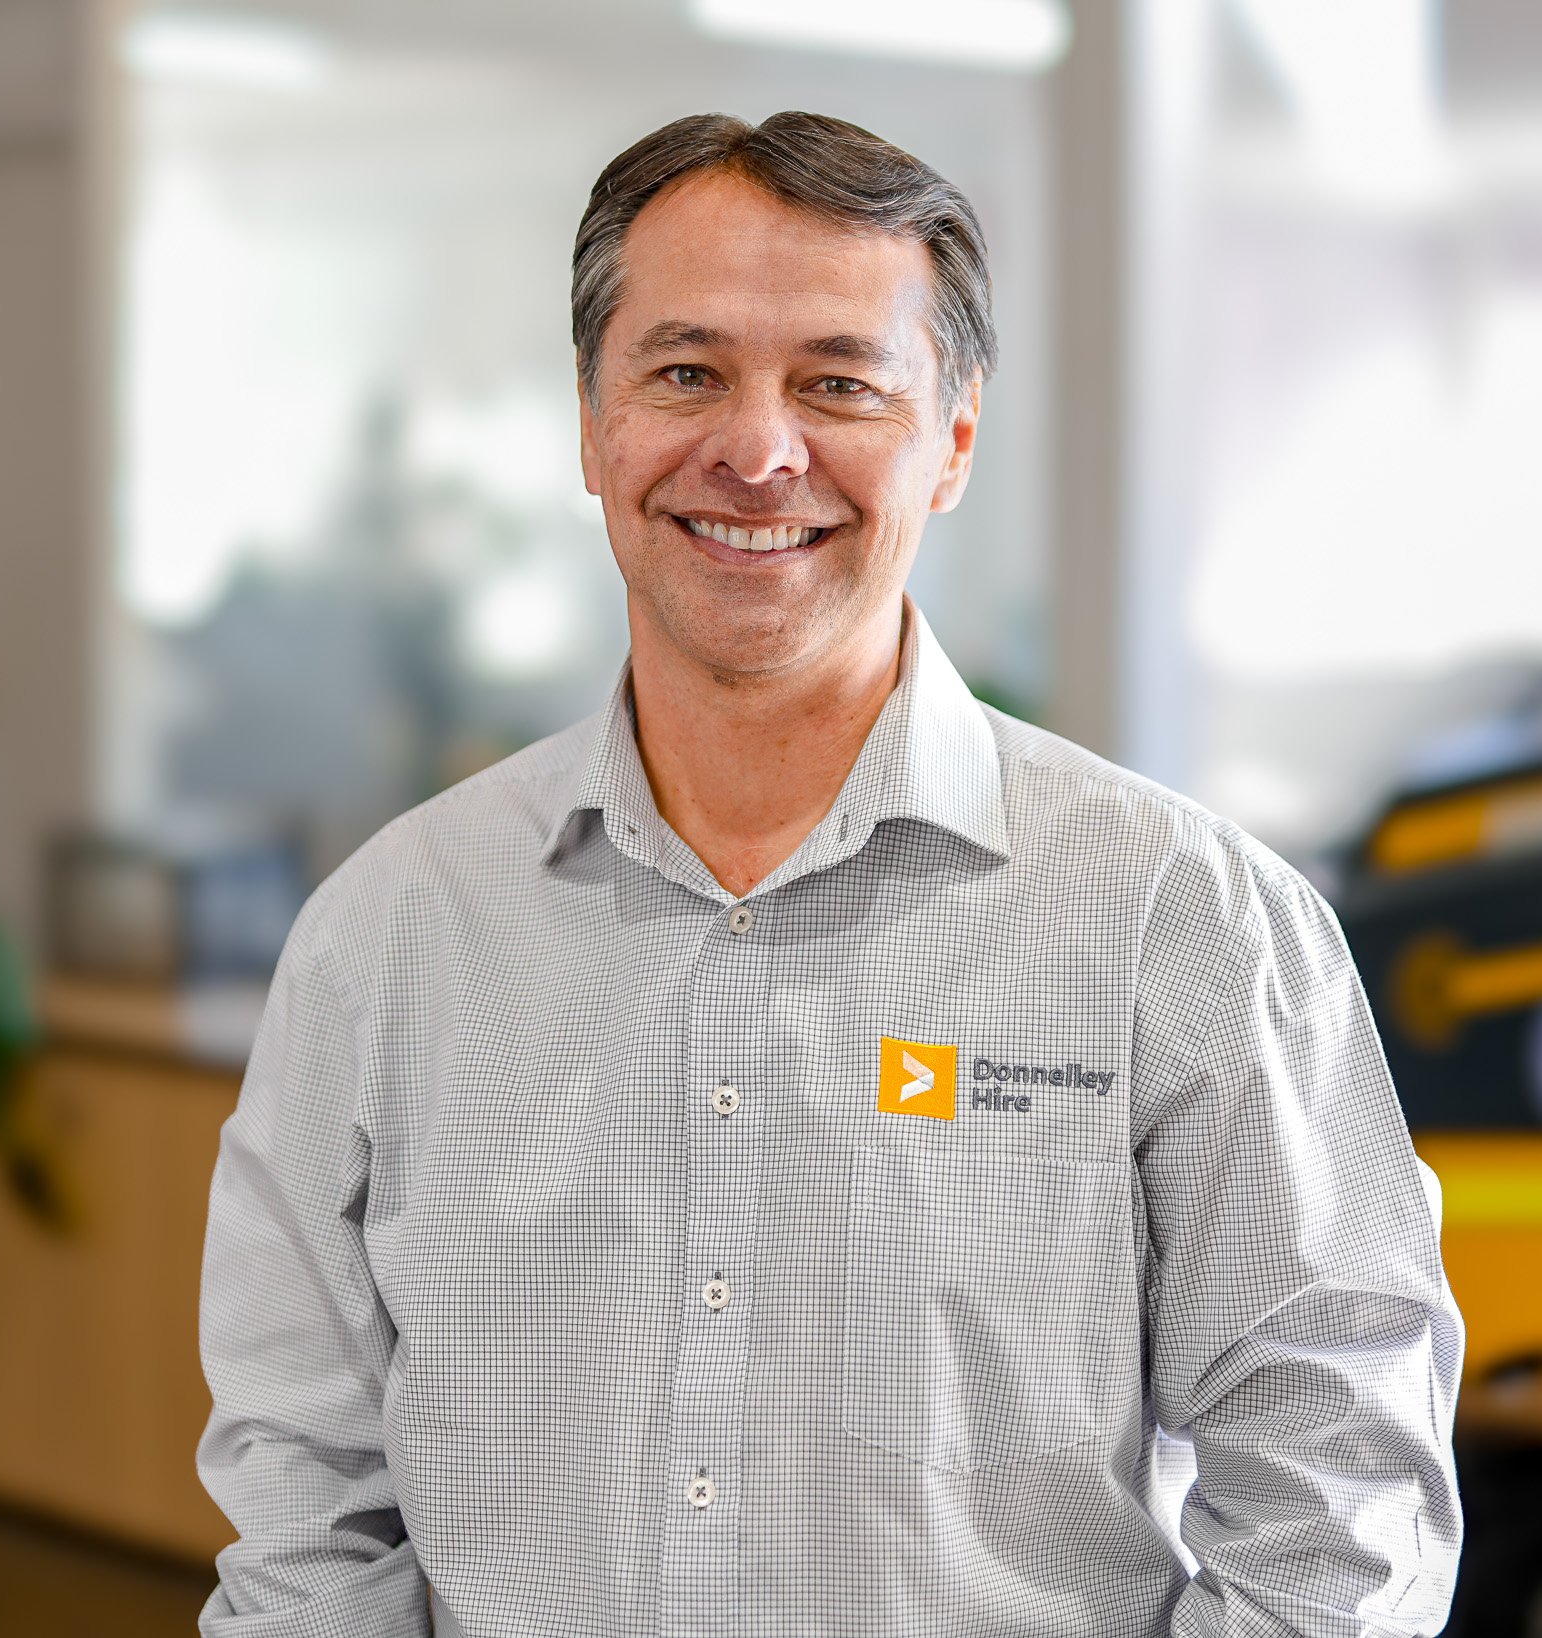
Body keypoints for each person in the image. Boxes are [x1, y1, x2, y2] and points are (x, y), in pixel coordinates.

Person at [196, 111, 1464, 1638]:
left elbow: (1337, 1513)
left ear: (955, 438)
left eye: (839, 383)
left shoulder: (1182, 925)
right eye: (686, 372)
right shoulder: (388, 939)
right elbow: (305, 1512)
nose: (757, 449)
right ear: (593, 423)